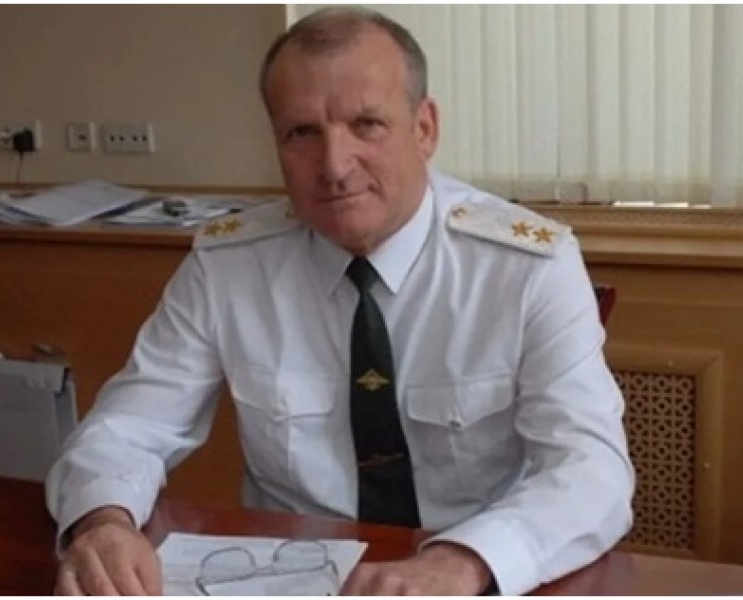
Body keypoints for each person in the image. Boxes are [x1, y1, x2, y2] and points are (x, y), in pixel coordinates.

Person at [46, 6, 634, 596]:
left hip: (471, 577)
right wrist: (103, 521)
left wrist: (465, 561)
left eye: (367, 124)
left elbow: (593, 470)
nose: (334, 166)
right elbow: (127, 427)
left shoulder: (526, 267)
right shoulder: (228, 266)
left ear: (424, 129)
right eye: (302, 133)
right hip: (289, 578)